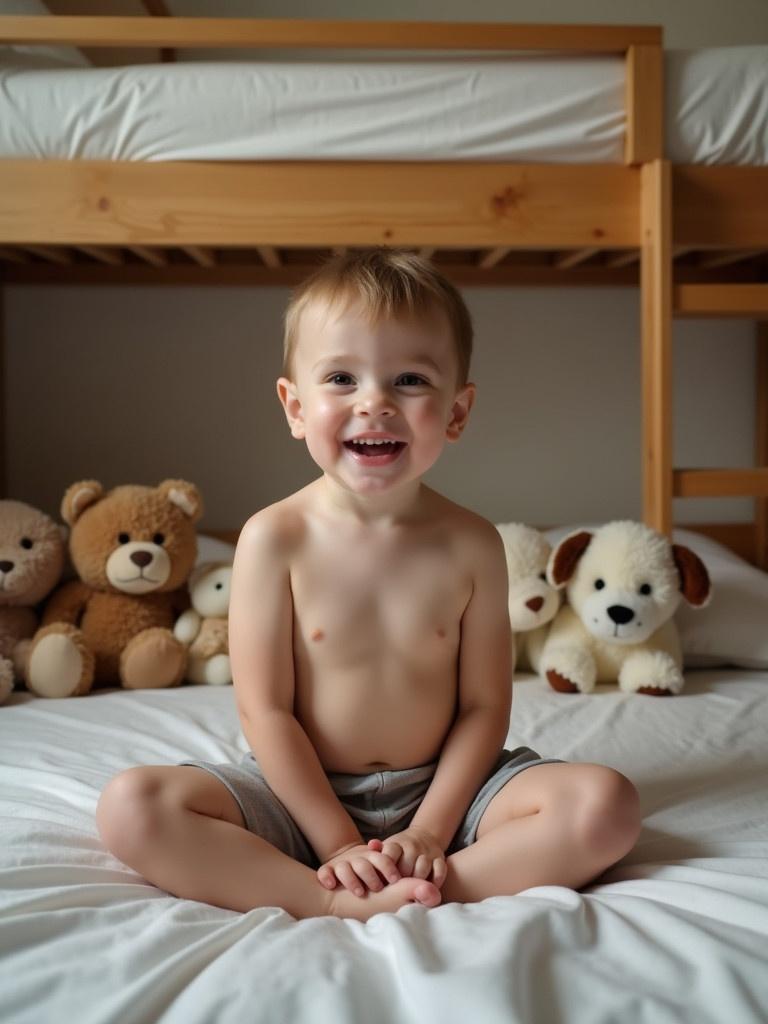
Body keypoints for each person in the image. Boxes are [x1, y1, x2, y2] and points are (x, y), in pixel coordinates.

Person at [97, 249, 641, 921]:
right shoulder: (274, 540)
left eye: (410, 379)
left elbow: (482, 707)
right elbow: (265, 711)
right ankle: (328, 898)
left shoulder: (473, 543)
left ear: (457, 411)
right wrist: (335, 841)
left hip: (449, 791)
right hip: (299, 792)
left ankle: (437, 883)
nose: (375, 402)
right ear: (295, 406)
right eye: (342, 379)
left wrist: (430, 833)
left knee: (605, 805)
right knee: (132, 808)